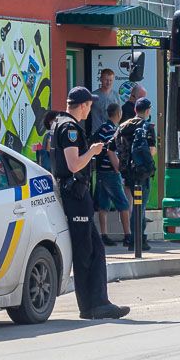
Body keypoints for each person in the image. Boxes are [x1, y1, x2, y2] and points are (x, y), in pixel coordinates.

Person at [51, 86, 130, 320]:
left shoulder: (60, 123)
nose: (90, 110)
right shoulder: (69, 128)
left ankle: (98, 302)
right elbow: (74, 164)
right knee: (87, 249)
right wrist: (93, 152)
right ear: (83, 105)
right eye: (89, 105)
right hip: (75, 193)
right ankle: (93, 305)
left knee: (93, 247)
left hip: (75, 193)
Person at [116, 98, 157, 250]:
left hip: (127, 172)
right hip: (141, 173)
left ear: (135, 110)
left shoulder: (122, 126)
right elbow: (151, 150)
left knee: (134, 204)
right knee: (141, 206)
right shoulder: (147, 127)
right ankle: (137, 240)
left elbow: (113, 147)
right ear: (147, 111)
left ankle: (136, 239)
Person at [92, 103, 129, 246]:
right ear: (119, 113)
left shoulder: (102, 128)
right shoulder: (113, 130)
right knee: (123, 203)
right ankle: (128, 235)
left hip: (101, 171)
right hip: (111, 172)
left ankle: (104, 234)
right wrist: (118, 168)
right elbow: (111, 151)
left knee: (103, 205)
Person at [88, 68, 122, 134]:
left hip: (112, 133)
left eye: (110, 80)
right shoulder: (93, 95)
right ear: (101, 79)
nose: (108, 82)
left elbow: (119, 114)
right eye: (106, 80)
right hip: (97, 132)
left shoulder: (116, 96)